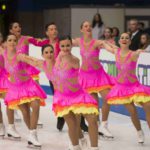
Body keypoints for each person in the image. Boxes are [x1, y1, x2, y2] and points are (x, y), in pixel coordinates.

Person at [23, 36, 100, 150]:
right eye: (62, 46)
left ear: (71, 46)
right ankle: (75, 146)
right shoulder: (51, 60)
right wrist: (19, 55)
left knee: (92, 120)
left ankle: (94, 148)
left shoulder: (73, 60)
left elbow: (70, 61)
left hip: (78, 95)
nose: (65, 48)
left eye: (67, 45)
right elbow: (31, 60)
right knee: (72, 124)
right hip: (62, 98)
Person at [102, 32, 150, 144]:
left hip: (135, 87)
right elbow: (108, 46)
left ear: (130, 41)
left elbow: (141, 52)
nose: (124, 39)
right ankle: (139, 132)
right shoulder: (116, 52)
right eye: (122, 38)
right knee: (132, 111)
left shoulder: (134, 54)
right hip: (122, 88)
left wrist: (142, 51)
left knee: (148, 106)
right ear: (119, 41)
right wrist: (102, 42)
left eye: (127, 38)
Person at [0, 34, 47, 147]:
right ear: (5, 43)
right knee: (25, 112)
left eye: (14, 40)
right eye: (10, 40)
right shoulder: (3, 54)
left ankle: (33, 134)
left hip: (28, 85)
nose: (12, 42)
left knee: (35, 105)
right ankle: (32, 135)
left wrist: (41, 62)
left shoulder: (19, 55)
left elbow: (31, 60)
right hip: (16, 89)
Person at [73, 21, 114, 138]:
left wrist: (115, 49)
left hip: (98, 75)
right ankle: (96, 125)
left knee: (108, 98)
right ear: (81, 29)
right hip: (85, 77)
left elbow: (108, 48)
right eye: (85, 26)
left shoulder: (97, 42)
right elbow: (64, 43)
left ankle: (104, 125)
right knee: (93, 104)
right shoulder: (78, 41)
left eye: (90, 26)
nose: (88, 27)